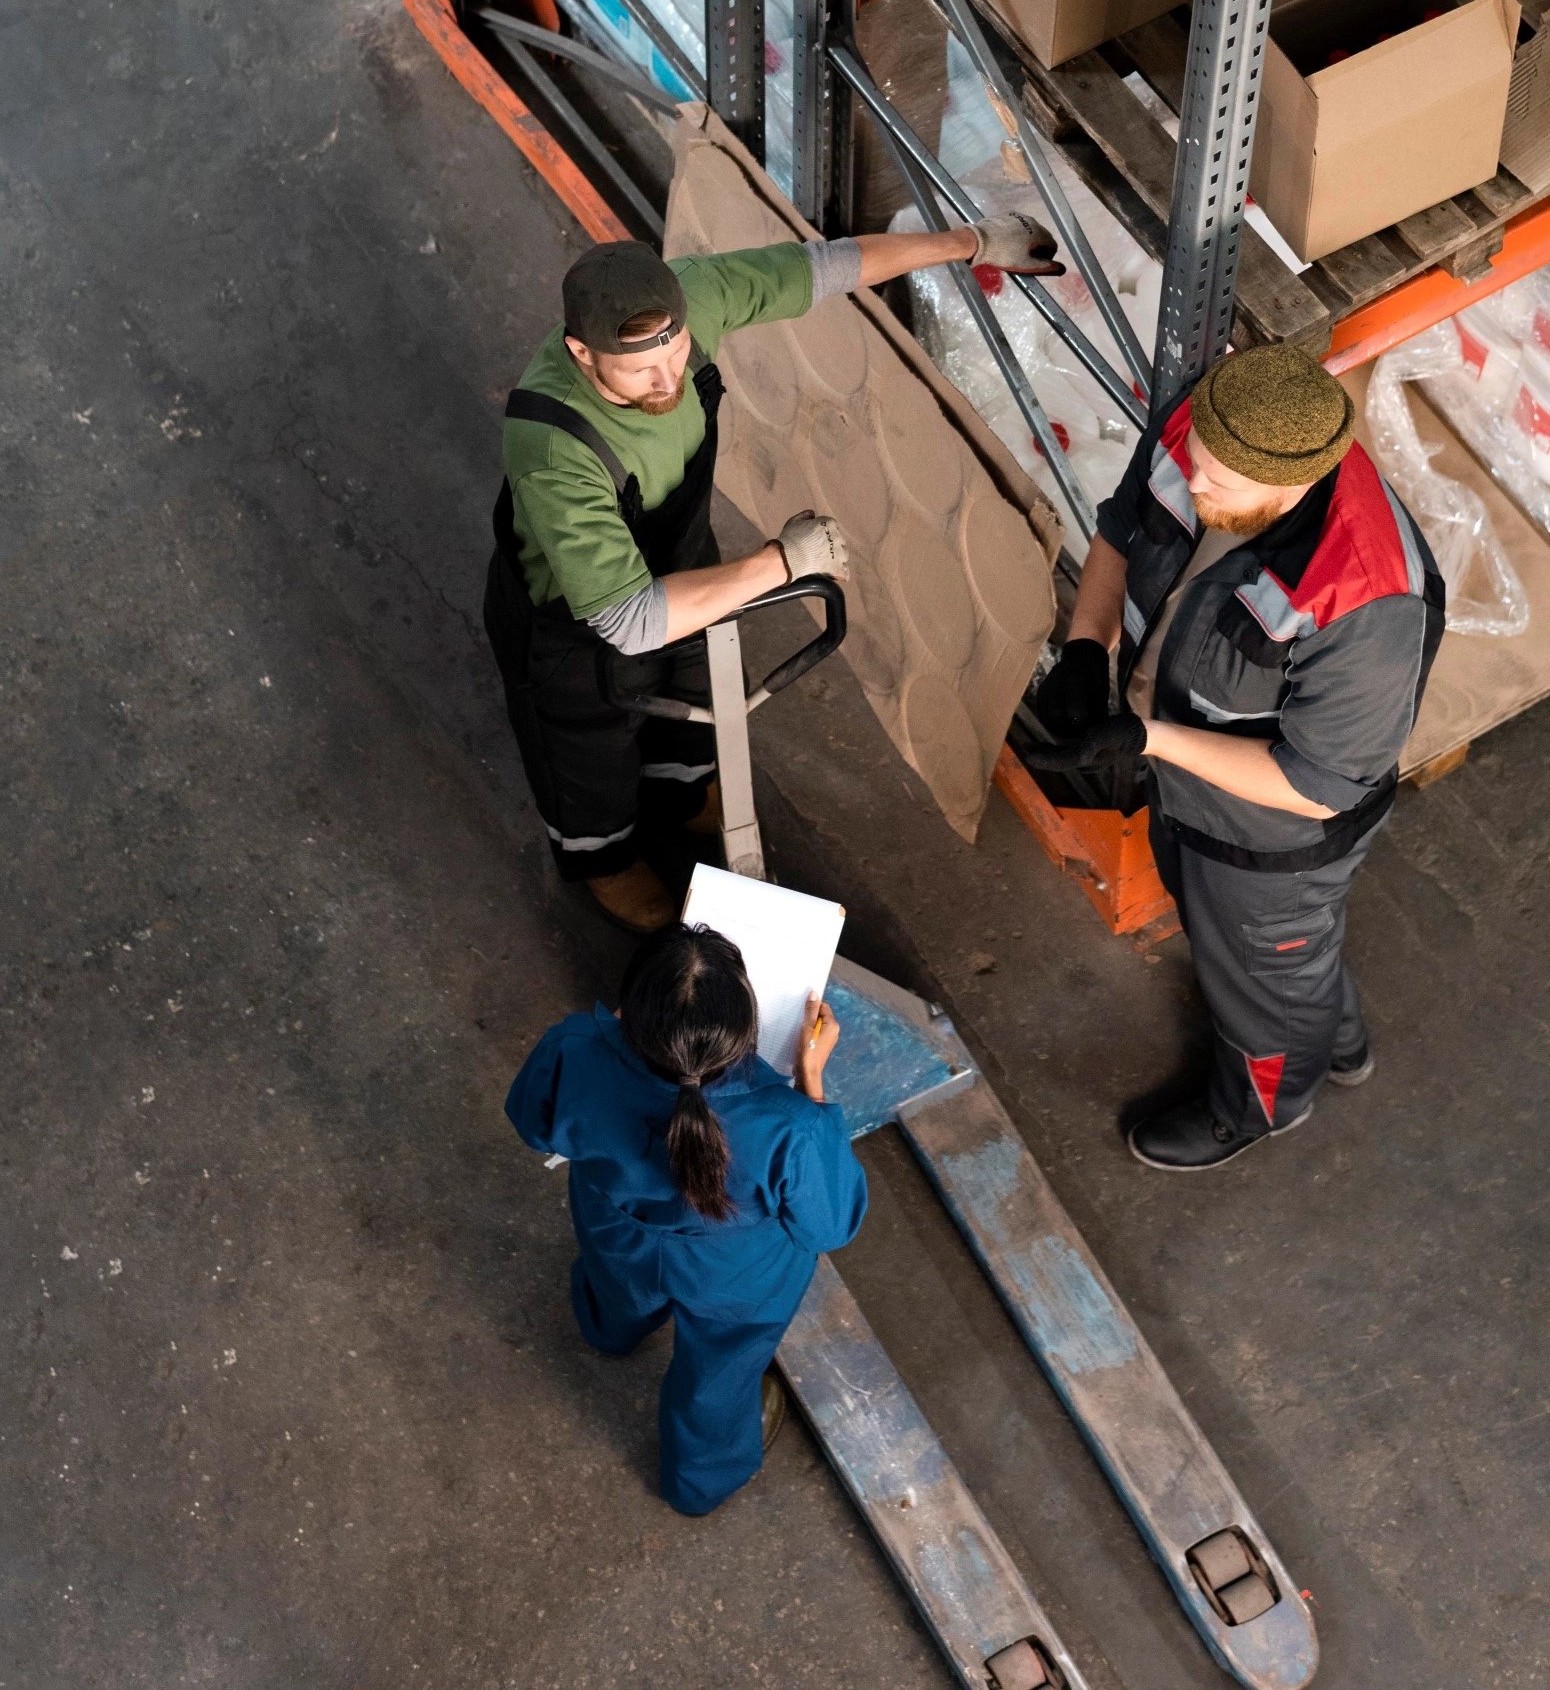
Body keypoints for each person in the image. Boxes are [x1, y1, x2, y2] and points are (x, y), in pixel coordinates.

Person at [485, 223, 1063, 934]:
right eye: (640, 371)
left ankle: (681, 794)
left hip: (678, 564)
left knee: (692, 692)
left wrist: (970, 243)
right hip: (576, 625)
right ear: (582, 353)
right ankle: (604, 857)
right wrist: (780, 562)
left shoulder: (690, 297)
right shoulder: (551, 443)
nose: (669, 380)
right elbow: (630, 620)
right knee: (587, 750)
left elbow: (825, 267)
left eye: (676, 352)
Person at [1026, 342, 1444, 1175]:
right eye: (1194, 461)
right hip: (1185, 790)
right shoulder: (1200, 427)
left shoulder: (1370, 595)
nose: (1195, 479)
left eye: (1220, 481)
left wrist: (1148, 738)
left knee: (1262, 966)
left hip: (1270, 840)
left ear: (1292, 484)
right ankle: (1332, 1030)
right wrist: (1084, 646)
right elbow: (1122, 524)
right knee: (1268, 960)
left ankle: (1264, 1105)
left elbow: (1317, 785)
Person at [505, 922, 867, 1516]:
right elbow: (830, 1224)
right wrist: (811, 1080)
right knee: (721, 1371)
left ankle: (608, 1332)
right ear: (742, 1034)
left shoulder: (573, 1049)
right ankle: (700, 1481)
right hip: (736, 1274)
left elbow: (532, 1122)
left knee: (615, 1288)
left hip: (616, 1230)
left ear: (629, 1012)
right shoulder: (789, 1124)